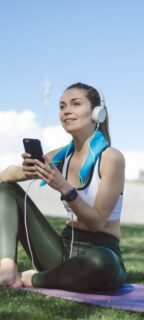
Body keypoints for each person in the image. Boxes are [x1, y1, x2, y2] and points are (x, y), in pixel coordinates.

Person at [0, 82, 126, 292]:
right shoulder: (60, 156)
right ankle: (6, 267)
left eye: (75, 104)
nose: (67, 110)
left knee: (101, 262)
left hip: (101, 252)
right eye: (62, 106)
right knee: (6, 190)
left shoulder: (111, 158)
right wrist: (27, 169)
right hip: (60, 253)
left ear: (97, 112)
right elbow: (5, 177)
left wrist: (64, 187)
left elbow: (96, 222)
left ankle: (33, 279)